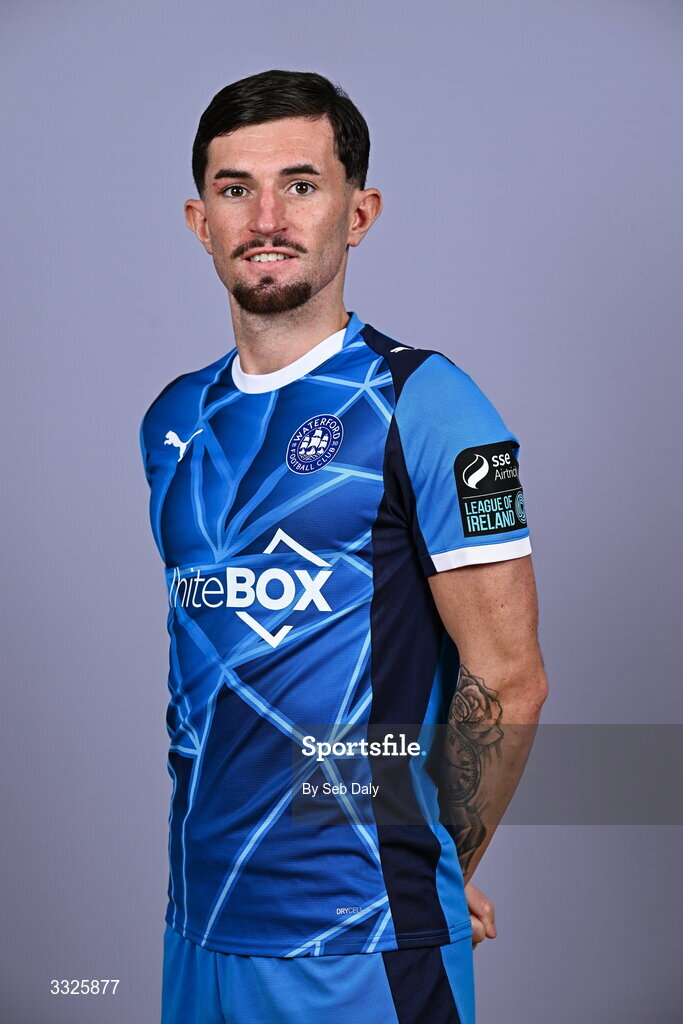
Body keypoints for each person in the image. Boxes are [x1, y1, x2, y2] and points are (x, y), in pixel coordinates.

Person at [139, 69, 548, 1024]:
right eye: (236, 188)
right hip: (198, 926)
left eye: (302, 183)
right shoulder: (173, 420)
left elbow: (509, 678)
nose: (266, 215)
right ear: (202, 221)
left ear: (356, 213)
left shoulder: (435, 405)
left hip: (357, 945)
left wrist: (432, 866)